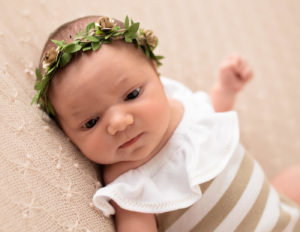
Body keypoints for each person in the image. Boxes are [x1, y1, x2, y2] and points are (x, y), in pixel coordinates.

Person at [33, 15, 300, 232]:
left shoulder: (183, 104)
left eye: (132, 95)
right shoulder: (130, 185)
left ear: (156, 72)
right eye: (91, 122)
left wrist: (225, 89)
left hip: (281, 209)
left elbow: (211, 118)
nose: (119, 122)